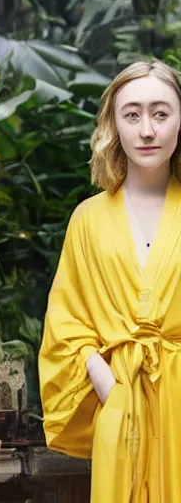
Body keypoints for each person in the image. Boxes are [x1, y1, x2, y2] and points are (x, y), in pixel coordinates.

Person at [39, 58, 181, 502]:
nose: (147, 130)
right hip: (119, 404)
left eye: (161, 113)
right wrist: (106, 382)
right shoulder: (88, 219)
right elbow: (66, 323)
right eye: (132, 114)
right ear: (113, 125)